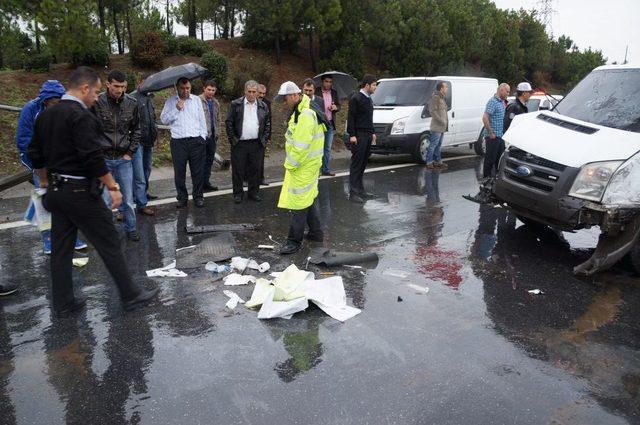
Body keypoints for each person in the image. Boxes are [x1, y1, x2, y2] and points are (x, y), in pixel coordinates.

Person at [27, 66, 158, 317]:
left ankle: (63, 304)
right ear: (84, 88)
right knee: (109, 241)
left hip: (56, 191)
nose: (96, 97)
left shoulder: (46, 116)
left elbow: (35, 154)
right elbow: (92, 158)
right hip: (80, 193)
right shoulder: (81, 116)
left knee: (61, 249)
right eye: (96, 91)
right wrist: (112, 186)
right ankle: (130, 295)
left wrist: (44, 182)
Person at [16, 80, 87, 255]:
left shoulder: (64, 109)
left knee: (67, 200)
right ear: (46, 100)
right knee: (45, 202)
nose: (58, 104)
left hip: (62, 162)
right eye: (55, 102)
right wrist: (37, 166)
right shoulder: (30, 110)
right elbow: (24, 140)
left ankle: (71, 236)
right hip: (41, 164)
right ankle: (48, 239)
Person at [275, 81, 325, 255]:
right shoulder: (302, 110)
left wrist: (290, 165)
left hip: (303, 166)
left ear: (294, 96)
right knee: (308, 198)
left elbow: (300, 146)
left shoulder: (305, 115)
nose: (283, 102)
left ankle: (293, 241)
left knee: (298, 203)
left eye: (284, 99)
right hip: (308, 165)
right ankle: (316, 233)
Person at [93, 70, 143, 241]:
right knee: (105, 199)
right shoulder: (97, 102)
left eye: (122, 86)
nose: (119, 90)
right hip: (103, 158)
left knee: (128, 198)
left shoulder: (132, 103)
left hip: (123, 159)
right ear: (108, 84)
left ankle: (131, 228)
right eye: (116, 86)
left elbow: (137, 130)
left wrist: (130, 152)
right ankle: (106, 232)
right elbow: (89, 128)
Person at [160, 77, 208, 208]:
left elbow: (202, 120)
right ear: (177, 88)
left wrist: (203, 137)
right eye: (183, 88)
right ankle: (182, 197)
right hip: (178, 142)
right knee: (179, 172)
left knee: (197, 172)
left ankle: (198, 197)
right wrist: (176, 108)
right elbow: (163, 120)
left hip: (196, 141)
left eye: (188, 88)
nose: (186, 91)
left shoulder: (196, 100)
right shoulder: (170, 101)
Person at [225, 80, 271, 204]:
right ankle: (238, 193)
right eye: (249, 91)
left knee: (255, 169)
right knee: (238, 170)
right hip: (240, 143)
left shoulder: (263, 106)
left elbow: (267, 124)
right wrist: (233, 139)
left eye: (253, 92)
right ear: (245, 91)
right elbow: (229, 122)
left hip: (257, 143)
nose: (251, 94)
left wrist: (264, 139)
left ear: (257, 92)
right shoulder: (236, 104)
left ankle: (253, 192)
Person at [347, 74, 378, 203]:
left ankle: (360, 191)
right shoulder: (356, 98)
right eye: (374, 85)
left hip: (367, 135)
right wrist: (352, 135)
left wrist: (373, 132)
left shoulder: (369, 99)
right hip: (358, 135)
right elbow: (351, 117)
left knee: (363, 163)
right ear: (367, 85)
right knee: (356, 164)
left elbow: (368, 119)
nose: (375, 88)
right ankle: (353, 193)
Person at [131, 74, 159, 201]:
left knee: (147, 168)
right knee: (138, 171)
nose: (148, 86)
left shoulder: (150, 98)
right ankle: (136, 195)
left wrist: (155, 132)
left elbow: (152, 119)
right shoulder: (132, 98)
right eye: (146, 83)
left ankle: (143, 193)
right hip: (138, 141)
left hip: (149, 140)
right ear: (140, 82)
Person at [481, 83, 510, 178]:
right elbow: (485, 117)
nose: (508, 93)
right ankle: (486, 178)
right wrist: (490, 132)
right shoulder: (493, 101)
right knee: (490, 159)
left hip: (500, 135)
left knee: (500, 159)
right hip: (492, 136)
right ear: (501, 90)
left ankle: (495, 178)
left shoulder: (501, 101)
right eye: (507, 91)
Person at [315, 74, 341, 176]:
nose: (328, 84)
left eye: (330, 82)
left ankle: (325, 169)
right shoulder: (316, 91)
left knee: (327, 148)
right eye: (326, 81)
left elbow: (339, 105)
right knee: (317, 147)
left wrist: (336, 107)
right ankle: (316, 170)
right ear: (322, 81)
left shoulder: (334, 93)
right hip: (319, 123)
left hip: (330, 123)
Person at [199, 80, 221, 192]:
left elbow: (218, 119)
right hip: (202, 136)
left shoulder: (216, 102)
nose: (211, 92)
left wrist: (218, 133)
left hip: (212, 136)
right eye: (209, 89)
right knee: (200, 161)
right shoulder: (197, 101)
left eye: (213, 90)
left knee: (209, 160)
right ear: (204, 88)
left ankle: (206, 183)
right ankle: (199, 184)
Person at [426, 81, 449, 169]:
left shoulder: (442, 98)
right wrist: (442, 120)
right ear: (441, 88)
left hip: (442, 127)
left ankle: (437, 161)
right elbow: (432, 111)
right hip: (436, 126)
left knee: (438, 146)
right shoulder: (435, 98)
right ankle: (429, 162)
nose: (447, 88)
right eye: (446, 87)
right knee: (433, 145)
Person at [257, 83, 272, 186]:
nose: (262, 95)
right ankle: (247, 179)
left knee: (261, 158)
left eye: (264, 93)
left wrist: (269, 135)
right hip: (251, 133)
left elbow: (269, 119)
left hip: (262, 135)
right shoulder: (250, 101)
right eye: (260, 93)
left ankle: (261, 179)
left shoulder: (267, 102)